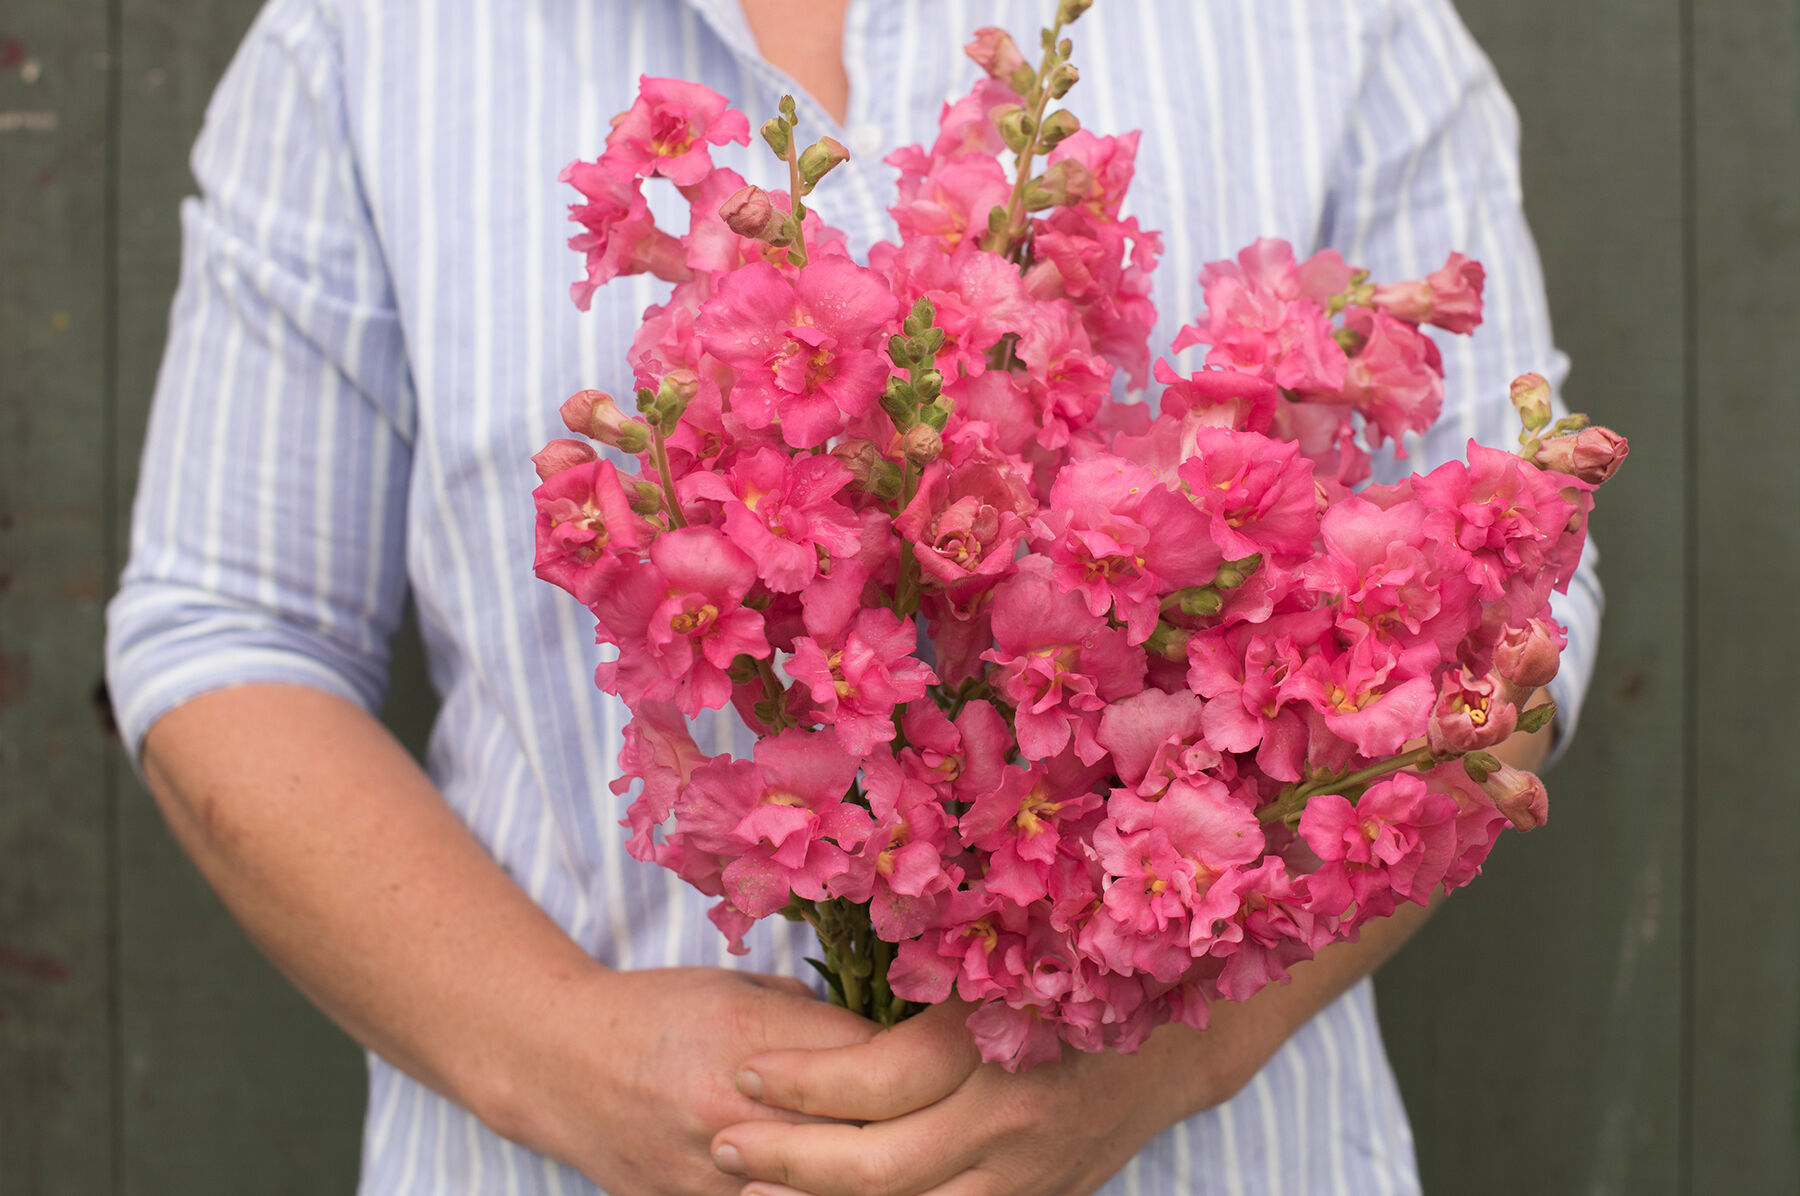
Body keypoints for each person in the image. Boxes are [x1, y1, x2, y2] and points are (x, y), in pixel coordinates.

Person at [106, 0, 1600, 1192]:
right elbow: (227, 626)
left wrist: (1152, 1060)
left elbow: (1509, 617)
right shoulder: (371, 37)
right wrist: (555, 1053)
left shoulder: (1348, 26)